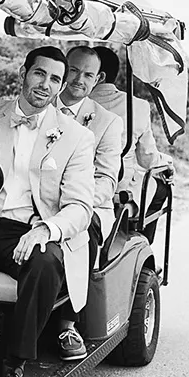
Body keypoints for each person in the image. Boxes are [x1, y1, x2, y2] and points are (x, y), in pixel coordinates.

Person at [0, 46, 94, 377]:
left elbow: (81, 208)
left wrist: (45, 230)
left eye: (55, 79)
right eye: (40, 74)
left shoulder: (75, 136)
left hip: (31, 230)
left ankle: (14, 370)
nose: (46, 84)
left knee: (44, 263)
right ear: (24, 73)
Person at [53, 46, 122, 360]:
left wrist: (75, 204)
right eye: (72, 70)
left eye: (88, 74)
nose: (78, 79)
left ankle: (66, 323)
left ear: (98, 79)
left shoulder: (107, 122)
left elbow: (107, 180)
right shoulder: (39, 105)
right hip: (32, 199)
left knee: (83, 229)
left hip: (87, 204)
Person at [89, 46, 174, 239]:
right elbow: (147, 159)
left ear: (97, 76)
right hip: (118, 187)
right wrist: (166, 161)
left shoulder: (69, 103)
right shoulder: (139, 106)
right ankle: (140, 238)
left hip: (82, 180)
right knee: (161, 186)